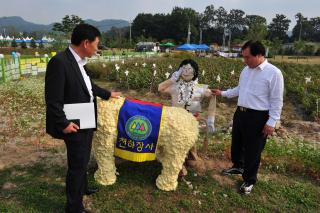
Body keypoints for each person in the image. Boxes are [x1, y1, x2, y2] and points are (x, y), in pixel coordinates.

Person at [45, 24, 121, 212]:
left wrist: (107, 94)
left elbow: (89, 86)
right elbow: (53, 99)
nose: (97, 48)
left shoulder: (79, 62)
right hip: (73, 122)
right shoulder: (60, 62)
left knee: (84, 158)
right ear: (86, 43)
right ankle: (74, 206)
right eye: (96, 44)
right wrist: (63, 124)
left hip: (85, 118)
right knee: (77, 165)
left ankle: (83, 188)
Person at [212, 40, 284, 194]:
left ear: (259, 55)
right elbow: (240, 89)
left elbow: (277, 100)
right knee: (237, 143)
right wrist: (222, 93)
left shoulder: (273, 73)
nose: (245, 60)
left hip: (258, 116)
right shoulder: (246, 70)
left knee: (253, 150)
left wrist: (272, 121)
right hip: (241, 112)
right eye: (243, 57)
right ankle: (238, 166)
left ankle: (249, 180)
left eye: (248, 57)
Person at [158, 59, 216, 175]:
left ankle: (191, 157)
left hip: (192, 121)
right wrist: (172, 79)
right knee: (176, 143)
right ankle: (178, 165)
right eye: (183, 69)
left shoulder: (201, 88)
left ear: (195, 72)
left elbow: (213, 96)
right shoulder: (174, 86)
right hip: (176, 121)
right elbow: (160, 88)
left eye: (189, 69)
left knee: (190, 142)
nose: (186, 72)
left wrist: (211, 120)